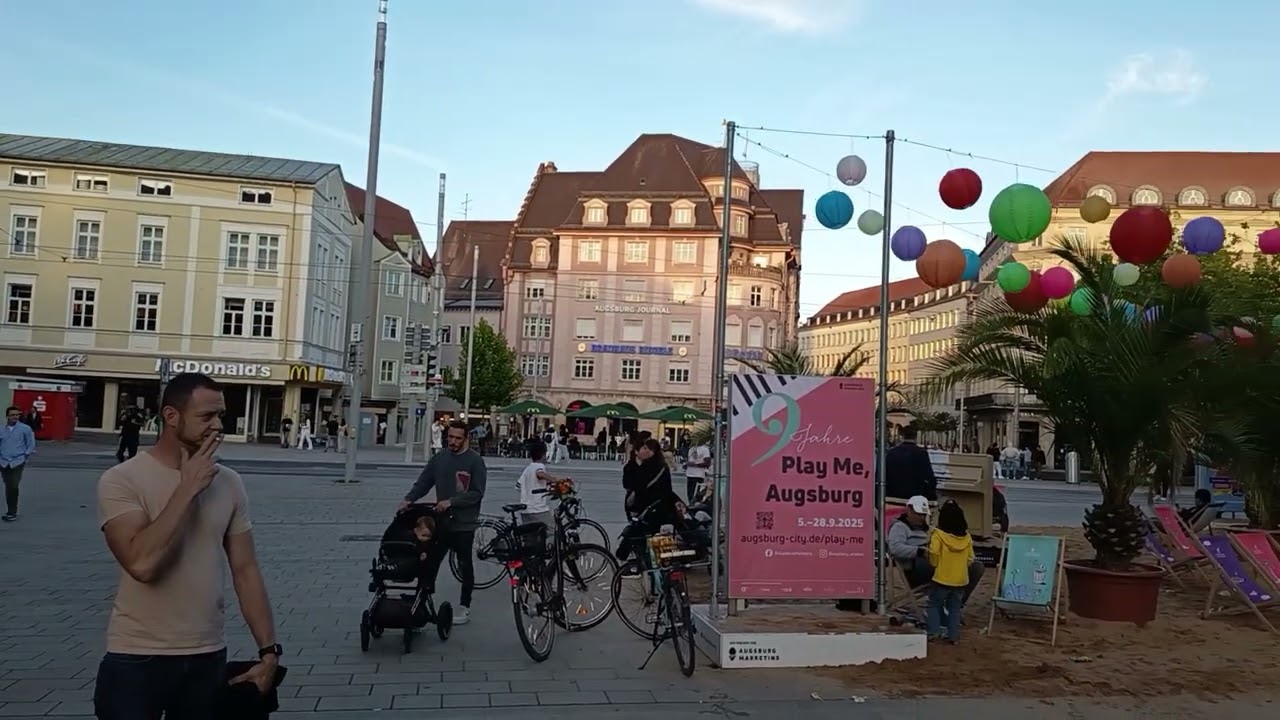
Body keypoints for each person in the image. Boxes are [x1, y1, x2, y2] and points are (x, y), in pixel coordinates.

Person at [93, 372, 279, 719]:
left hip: (207, 655)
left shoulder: (229, 483)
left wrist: (269, 651)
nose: (217, 426)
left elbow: (246, 570)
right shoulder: (121, 480)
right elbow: (142, 565)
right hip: (137, 656)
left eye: (221, 415)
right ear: (171, 416)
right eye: (206, 416)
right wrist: (187, 488)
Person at [398, 420, 487, 625]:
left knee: (465, 564)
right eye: (450, 437)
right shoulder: (439, 459)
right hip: (441, 522)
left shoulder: (475, 461)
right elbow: (424, 481)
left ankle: (465, 606)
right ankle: (421, 598)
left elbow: (477, 493)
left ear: (466, 439)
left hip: (464, 524)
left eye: (457, 438)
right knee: (429, 560)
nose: (453, 442)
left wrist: (451, 502)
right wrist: (409, 499)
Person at [887, 495, 985, 605]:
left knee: (976, 567)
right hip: (917, 566)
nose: (921, 518)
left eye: (923, 515)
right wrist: (920, 551)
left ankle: (956, 603)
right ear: (909, 510)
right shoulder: (900, 527)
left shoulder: (929, 529)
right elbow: (894, 548)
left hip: (938, 563)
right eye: (918, 514)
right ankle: (951, 604)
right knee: (952, 567)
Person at [927, 500, 974, 643]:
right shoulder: (967, 538)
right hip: (960, 580)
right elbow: (971, 558)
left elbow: (934, 553)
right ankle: (953, 637)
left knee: (934, 604)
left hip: (942, 578)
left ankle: (934, 632)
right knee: (955, 608)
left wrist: (935, 565)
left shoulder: (938, 535)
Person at [514, 440, 563, 526]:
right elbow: (539, 474)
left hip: (525, 509)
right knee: (551, 528)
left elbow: (518, 485)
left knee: (530, 535)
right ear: (543, 455)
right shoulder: (539, 466)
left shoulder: (528, 469)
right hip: (537, 509)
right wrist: (555, 480)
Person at [1, 406, 37, 521]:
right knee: (8, 486)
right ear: (7, 416)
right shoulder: (2, 429)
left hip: (17, 461)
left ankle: (12, 512)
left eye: (17, 415)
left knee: (13, 486)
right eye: (12, 415)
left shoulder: (25, 429)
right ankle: (10, 510)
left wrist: (25, 455)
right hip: (3, 461)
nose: (15, 417)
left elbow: (31, 444)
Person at [885, 426, 938, 501]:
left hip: (893, 494)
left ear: (902, 436)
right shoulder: (922, 453)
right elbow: (929, 477)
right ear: (916, 436)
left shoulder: (892, 453)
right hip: (915, 496)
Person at [684, 437, 711, 502]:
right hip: (690, 474)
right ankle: (691, 506)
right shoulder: (691, 449)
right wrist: (686, 464)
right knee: (690, 494)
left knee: (698, 495)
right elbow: (689, 460)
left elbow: (707, 463)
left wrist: (695, 464)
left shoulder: (705, 449)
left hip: (699, 475)